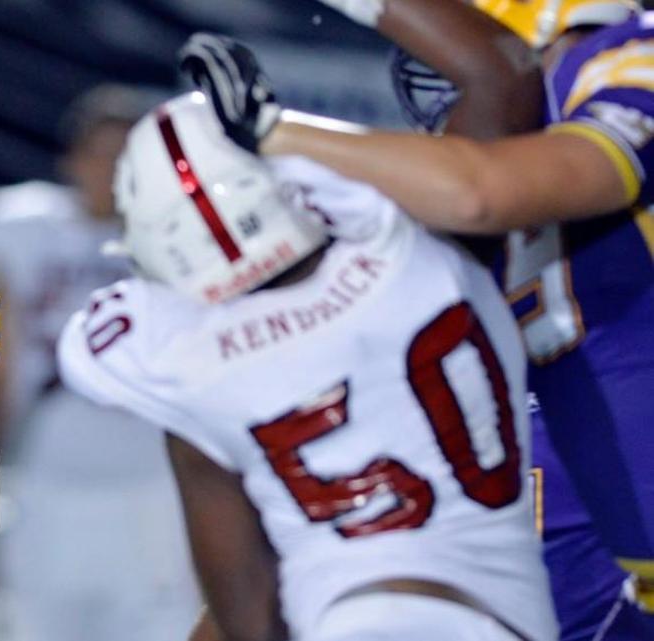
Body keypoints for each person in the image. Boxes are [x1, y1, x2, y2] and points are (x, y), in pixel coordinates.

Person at [180, 1, 654, 616]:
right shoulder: (435, 231)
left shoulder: (625, 60)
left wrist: (274, 131)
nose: (444, 84)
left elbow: (481, 191)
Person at [57, 91, 557, 641]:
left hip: (350, 616)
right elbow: (494, 87)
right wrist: (279, 130)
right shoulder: (407, 251)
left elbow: (246, 612)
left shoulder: (187, 363)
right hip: (482, 610)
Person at [0, 84, 201, 641]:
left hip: (155, 480)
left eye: (129, 156)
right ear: (72, 159)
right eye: (103, 153)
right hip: (49, 473)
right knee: (39, 625)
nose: (113, 169)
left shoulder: (184, 236)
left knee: (161, 625)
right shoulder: (20, 224)